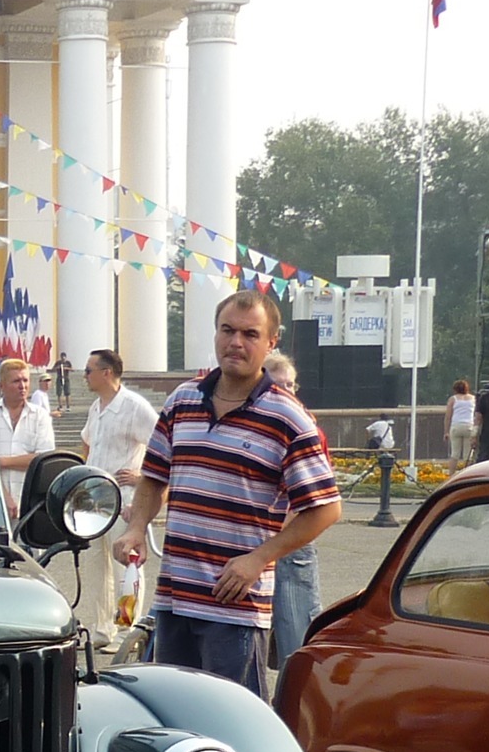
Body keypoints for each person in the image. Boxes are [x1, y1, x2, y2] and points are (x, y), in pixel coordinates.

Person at [114, 290, 341, 699]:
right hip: (174, 599)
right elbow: (152, 477)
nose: (236, 342)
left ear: (271, 342)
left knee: (233, 727)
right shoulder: (182, 400)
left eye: (250, 334)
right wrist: (136, 527)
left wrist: (259, 559)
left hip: (234, 607)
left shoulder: (288, 418)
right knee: (174, 719)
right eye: (227, 330)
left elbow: (325, 509)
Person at [77, 348, 159, 645]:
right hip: (94, 500)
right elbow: (87, 442)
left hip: (123, 500)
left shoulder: (134, 407)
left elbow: (164, 445)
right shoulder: (96, 407)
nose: (84, 375)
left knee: (126, 562)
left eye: (88, 370)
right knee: (96, 565)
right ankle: (102, 628)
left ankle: (127, 627)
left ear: (106, 372)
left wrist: (140, 478)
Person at [262, 352, 323, 667]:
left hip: (291, 543)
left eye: (291, 385)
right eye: (279, 384)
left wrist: (287, 524)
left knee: (295, 638)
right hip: (253, 540)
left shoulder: (303, 425)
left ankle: (295, 709)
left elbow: (321, 496)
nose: (287, 391)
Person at [0, 357, 55, 519]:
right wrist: (4, 496)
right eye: (16, 381)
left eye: (25, 380)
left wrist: (2, 462)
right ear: (1, 385)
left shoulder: (40, 416)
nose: (22, 386)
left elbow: (43, 460)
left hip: (29, 502)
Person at [445, 379, 478, 469]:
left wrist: (446, 431)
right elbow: (477, 414)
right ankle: (468, 474)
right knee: (468, 455)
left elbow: (448, 416)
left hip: (456, 426)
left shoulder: (453, 399)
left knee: (454, 454)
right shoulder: (473, 398)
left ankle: (451, 475)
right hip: (469, 426)